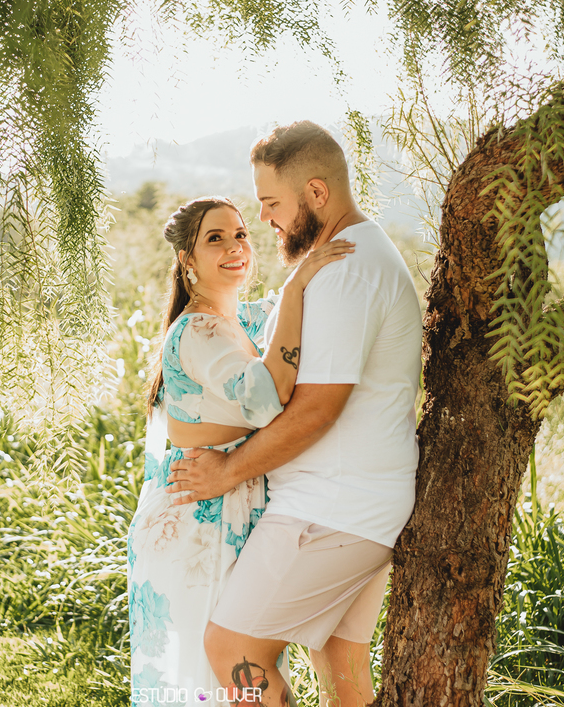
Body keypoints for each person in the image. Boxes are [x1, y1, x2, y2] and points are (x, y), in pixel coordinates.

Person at [167, 121, 423, 707]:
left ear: (316, 192)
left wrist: (227, 472)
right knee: (340, 662)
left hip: (330, 509)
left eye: (272, 203)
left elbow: (315, 412)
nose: (264, 219)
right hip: (357, 504)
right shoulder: (352, 257)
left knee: (233, 650)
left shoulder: (347, 270)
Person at [128, 195, 353, 707]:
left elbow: (288, 315)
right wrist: (296, 286)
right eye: (216, 239)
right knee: (225, 671)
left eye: (241, 234)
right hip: (201, 521)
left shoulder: (238, 320)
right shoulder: (198, 330)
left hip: (233, 504)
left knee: (242, 666)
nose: (235, 247)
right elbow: (264, 396)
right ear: (187, 260)